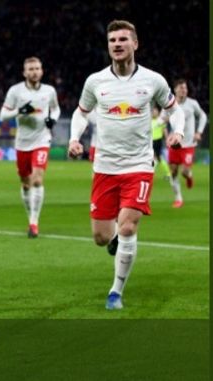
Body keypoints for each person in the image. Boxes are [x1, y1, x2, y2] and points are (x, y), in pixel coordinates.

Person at [68, 20, 185, 310]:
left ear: (135, 44)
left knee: (129, 227)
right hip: (105, 168)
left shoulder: (153, 80)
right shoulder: (96, 82)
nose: (117, 44)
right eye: (112, 41)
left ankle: (116, 292)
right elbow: (81, 113)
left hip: (139, 165)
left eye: (123, 39)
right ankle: (116, 240)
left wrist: (178, 131)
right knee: (101, 236)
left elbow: (174, 110)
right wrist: (73, 138)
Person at [0, 57, 61, 238]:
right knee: (26, 184)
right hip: (22, 143)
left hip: (42, 140)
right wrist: (19, 111)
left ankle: (34, 223)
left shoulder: (49, 91)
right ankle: (30, 217)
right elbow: (3, 115)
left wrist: (53, 119)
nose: (34, 72)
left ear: (41, 71)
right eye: (30, 69)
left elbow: (56, 109)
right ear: (25, 72)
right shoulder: (15, 91)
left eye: (37, 68)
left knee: (37, 180)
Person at [166, 79, 207, 208]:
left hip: (189, 144)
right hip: (175, 144)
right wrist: (165, 131)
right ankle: (178, 198)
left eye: (185, 88)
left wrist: (199, 132)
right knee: (173, 172)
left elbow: (203, 116)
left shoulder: (192, 103)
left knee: (184, 171)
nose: (183, 90)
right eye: (181, 88)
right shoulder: (169, 104)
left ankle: (189, 176)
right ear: (175, 90)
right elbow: (161, 118)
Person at [150, 105, 171, 180]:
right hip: (150, 141)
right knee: (156, 158)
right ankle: (168, 173)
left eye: (155, 111)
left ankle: (152, 174)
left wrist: (167, 138)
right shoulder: (149, 121)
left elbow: (164, 130)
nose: (153, 113)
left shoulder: (160, 121)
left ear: (158, 113)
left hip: (157, 141)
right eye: (152, 111)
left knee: (156, 158)